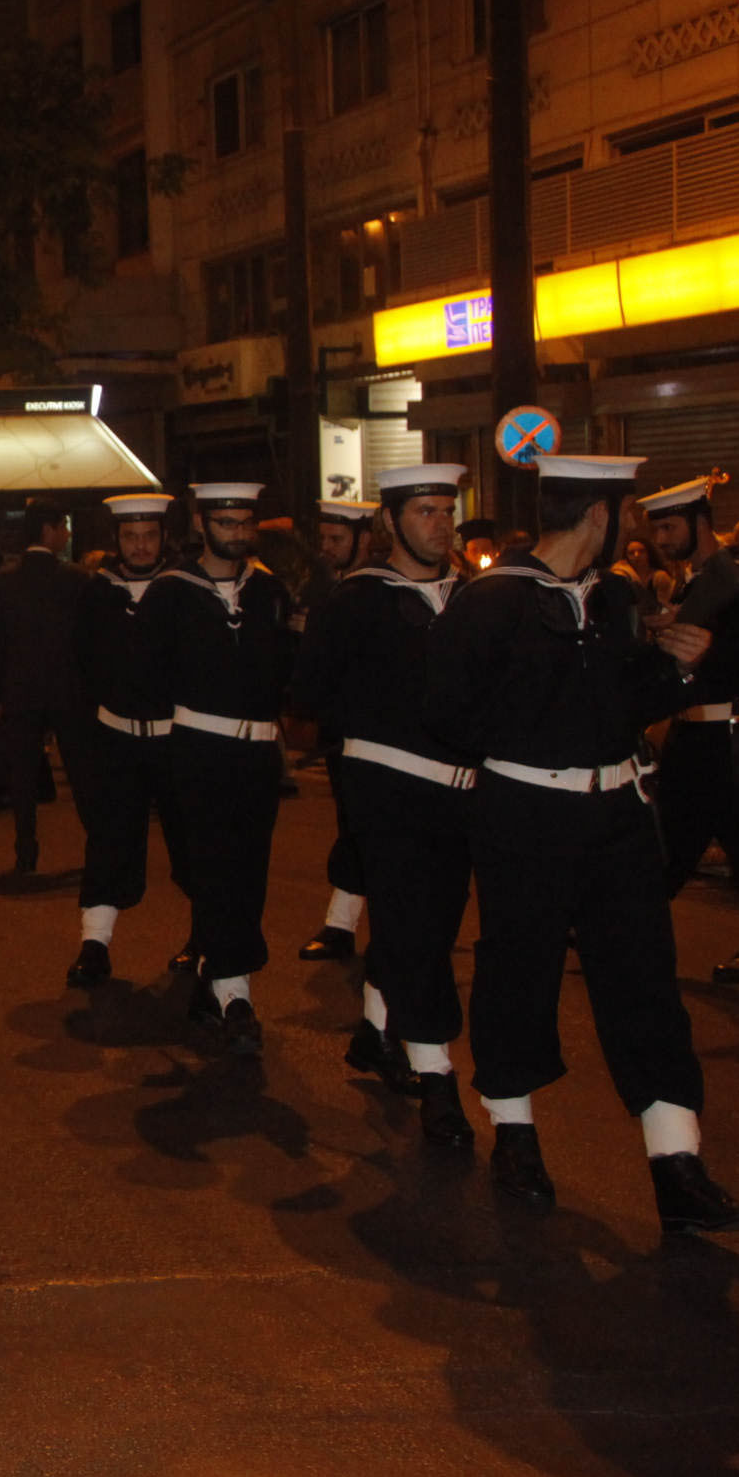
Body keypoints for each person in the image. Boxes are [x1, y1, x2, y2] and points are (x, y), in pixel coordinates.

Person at [426, 453, 739, 1233]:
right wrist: (527, 744)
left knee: (645, 983)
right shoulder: (489, 603)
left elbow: (621, 702)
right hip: (525, 817)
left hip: (616, 814)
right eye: (627, 516)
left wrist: (672, 670)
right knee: (519, 974)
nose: (636, 531)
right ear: (598, 516)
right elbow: (443, 711)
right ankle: (515, 1135)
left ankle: (678, 1166)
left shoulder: (615, 596)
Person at [286, 468, 474, 1148]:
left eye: (447, 511)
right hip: (385, 786)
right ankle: (439, 1079)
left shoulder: (472, 597)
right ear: (390, 523)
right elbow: (308, 694)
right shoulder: (356, 601)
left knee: (424, 927)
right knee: (417, 932)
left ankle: (373, 1031)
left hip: (461, 793)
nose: (441, 524)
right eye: (425, 511)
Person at [140, 484, 295, 1056]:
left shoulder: (271, 591)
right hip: (198, 750)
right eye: (225, 522)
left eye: (244, 523)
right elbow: (146, 676)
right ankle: (238, 998)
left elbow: (288, 672)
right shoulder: (171, 593)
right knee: (212, 868)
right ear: (204, 525)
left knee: (248, 871)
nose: (236, 532)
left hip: (257, 755)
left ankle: (212, 980)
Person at [641, 473, 739, 985]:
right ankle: (626, 932)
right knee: (674, 835)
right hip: (698, 731)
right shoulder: (701, 577)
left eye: (668, 527)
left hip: (731, 731)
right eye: (656, 530)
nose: (661, 541)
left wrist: (695, 646)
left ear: (698, 521)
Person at [64, 494, 184, 986]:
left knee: (195, 845)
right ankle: (95, 944)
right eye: (131, 537)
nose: (140, 545)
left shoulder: (183, 591)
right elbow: (80, 666)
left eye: (149, 536)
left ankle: (206, 942)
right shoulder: (96, 594)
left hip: (178, 741)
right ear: (117, 540)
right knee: (109, 842)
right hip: (115, 739)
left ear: (162, 538)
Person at [0, 503, 86, 876]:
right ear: (48, 531)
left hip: (20, 692)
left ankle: (26, 853)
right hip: (68, 691)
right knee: (80, 773)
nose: (67, 534)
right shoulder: (75, 579)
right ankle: (99, 850)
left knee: (23, 777)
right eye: (64, 527)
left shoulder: (5, 583)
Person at [298, 499, 381, 962]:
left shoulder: (379, 590)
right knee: (352, 825)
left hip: (382, 737)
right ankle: (342, 924)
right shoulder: (326, 590)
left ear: (364, 540)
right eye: (323, 540)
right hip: (342, 734)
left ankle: (347, 925)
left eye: (337, 540)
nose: (326, 548)